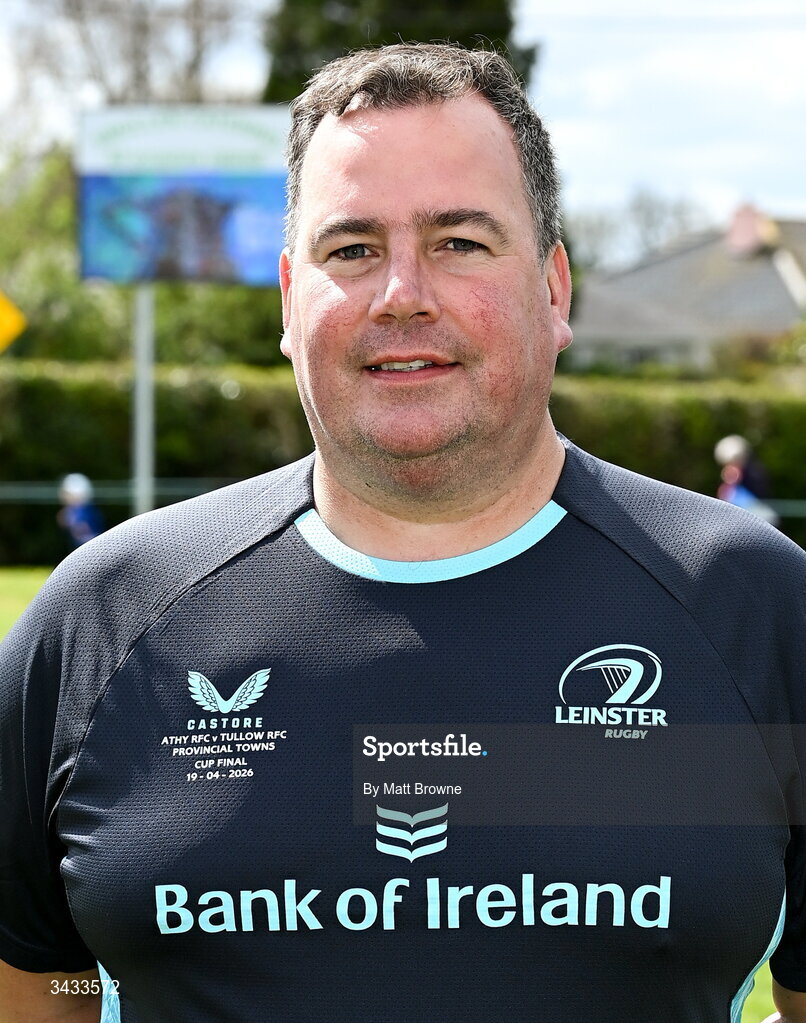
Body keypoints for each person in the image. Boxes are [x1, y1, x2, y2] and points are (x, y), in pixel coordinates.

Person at [2, 43, 806, 1023]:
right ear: (290, 302)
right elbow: (39, 992)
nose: (401, 294)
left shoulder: (754, 609)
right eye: (352, 250)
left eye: (460, 241)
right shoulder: (97, 619)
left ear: (554, 291)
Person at [57, 473, 105, 549]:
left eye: (67, 493)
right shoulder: (75, 510)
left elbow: (82, 532)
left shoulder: (82, 511)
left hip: (89, 550)